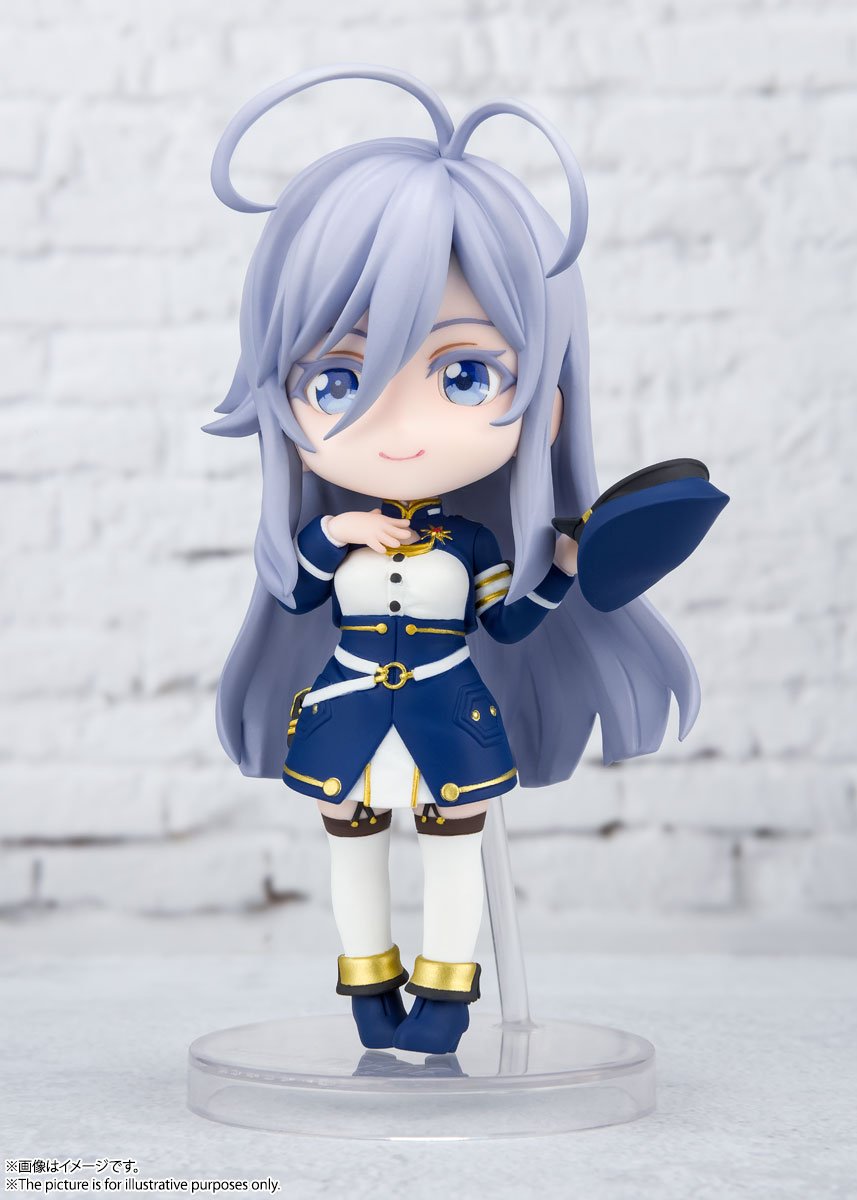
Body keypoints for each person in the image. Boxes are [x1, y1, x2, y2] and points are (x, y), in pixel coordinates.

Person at [206, 65, 701, 1055]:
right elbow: (296, 593)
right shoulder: (333, 536)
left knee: (450, 858)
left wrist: (561, 568)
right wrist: (335, 534)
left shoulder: (472, 544)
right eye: (337, 380)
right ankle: (366, 984)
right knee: (352, 857)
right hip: (345, 718)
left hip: (449, 719)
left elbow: (507, 623)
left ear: (544, 405)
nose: (397, 429)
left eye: (464, 375)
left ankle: (445, 995)